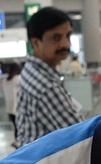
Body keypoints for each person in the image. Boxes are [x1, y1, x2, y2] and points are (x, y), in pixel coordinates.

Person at [16, 7, 83, 146]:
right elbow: (82, 136)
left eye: (68, 36)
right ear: (36, 43)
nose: (66, 44)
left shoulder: (31, 69)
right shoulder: (46, 86)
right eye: (56, 37)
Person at [3, 63, 22, 149]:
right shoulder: (17, 79)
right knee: (20, 126)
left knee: (15, 126)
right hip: (16, 107)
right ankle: (19, 142)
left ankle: (17, 141)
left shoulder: (6, 80)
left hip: (9, 108)